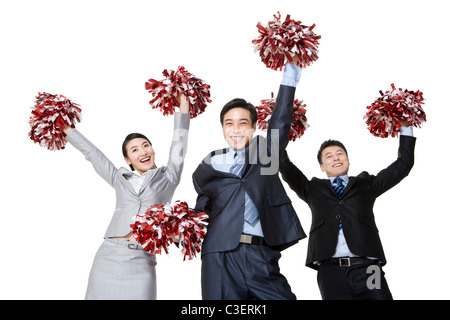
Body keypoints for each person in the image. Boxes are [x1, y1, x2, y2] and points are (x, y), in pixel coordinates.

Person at [192, 60, 306, 300]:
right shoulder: (210, 164)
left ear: (254, 127)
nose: (236, 129)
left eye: (243, 123)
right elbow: (201, 210)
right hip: (219, 255)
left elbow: (280, 124)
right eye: (229, 124)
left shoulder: (265, 154)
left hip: (260, 253)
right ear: (222, 128)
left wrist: (290, 74)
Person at [62, 95, 190, 299]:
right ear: (127, 159)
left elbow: (179, 144)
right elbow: (92, 153)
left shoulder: (168, 177)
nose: (143, 152)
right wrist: (63, 125)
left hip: (142, 260)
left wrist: (183, 101)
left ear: (153, 149)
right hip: (109, 255)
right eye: (135, 150)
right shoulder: (118, 177)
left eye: (146, 145)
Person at [279, 124, 416, 300]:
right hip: (330, 272)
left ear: (348, 160)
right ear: (322, 166)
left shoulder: (366, 184)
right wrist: (278, 128)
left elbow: (404, 164)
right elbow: (283, 164)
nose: (335, 158)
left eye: (340, 154)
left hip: (369, 268)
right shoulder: (312, 188)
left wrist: (405, 128)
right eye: (328, 156)